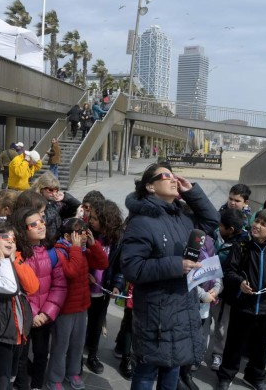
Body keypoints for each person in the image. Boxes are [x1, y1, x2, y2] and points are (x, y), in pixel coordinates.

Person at [121, 163, 219, 390]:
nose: (173, 179)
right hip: (156, 314)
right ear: (150, 186)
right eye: (166, 175)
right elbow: (132, 268)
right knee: (146, 371)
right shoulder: (141, 221)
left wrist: (192, 192)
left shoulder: (182, 215)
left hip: (183, 307)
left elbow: (212, 222)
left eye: (174, 175)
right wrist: (177, 265)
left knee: (173, 368)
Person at [217, 209, 266, 390]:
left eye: (263, 224)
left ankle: (255, 377)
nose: (256, 225)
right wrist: (240, 283)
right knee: (234, 344)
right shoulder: (241, 246)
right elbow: (229, 272)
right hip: (243, 307)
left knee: (261, 347)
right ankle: (226, 376)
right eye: (256, 221)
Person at [0, 222, 39, 390]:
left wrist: (14, 261)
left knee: (11, 377)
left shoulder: (15, 261)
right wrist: (2, 260)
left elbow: (32, 287)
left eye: (13, 238)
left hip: (18, 332)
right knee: (0, 382)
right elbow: (9, 287)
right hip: (0, 334)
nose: (11, 241)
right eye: (5, 237)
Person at [46, 218, 108, 390]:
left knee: (77, 343)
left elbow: (103, 264)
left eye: (85, 232)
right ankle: (54, 378)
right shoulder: (60, 252)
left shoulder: (81, 251)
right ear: (67, 235)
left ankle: (73, 371)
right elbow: (71, 272)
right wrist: (75, 248)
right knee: (60, 345)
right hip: (64, 309)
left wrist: (93, 244)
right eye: (79, 233)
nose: (82, 236)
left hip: (81, 306)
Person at [12, 207, 67, 390]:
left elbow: (59, 285)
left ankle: (36, 385)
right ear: (22, 229)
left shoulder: (52, 252)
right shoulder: (17, 255)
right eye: (33, 224)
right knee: (21, 356)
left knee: (42, 353)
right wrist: (33, 314)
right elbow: (17, 290)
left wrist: (46, 313)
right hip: (26, 316)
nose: (40, 226)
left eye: (41, 221)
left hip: (45, 316)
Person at [85, 200, 125, 375]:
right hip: (85, 288)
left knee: (96, 323)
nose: (90, 220)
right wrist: (85, 273)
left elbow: (120, 267)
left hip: (103, 289)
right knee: (81, 323)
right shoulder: (87, 235)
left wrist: (117, 284)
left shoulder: (118, 239)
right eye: (90, 217)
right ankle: (77, 352)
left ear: (106, 219)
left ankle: (92, 355)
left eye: (94, 218)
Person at [208, 208, 247, 372]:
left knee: (222, 326)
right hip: (206, 289)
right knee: (201, 323)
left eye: (222, 226)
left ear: (231, 230)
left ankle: (218, 354)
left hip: (226, 294)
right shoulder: (211, 235)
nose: (219, 227)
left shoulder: (242, 244)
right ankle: (197, 353)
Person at [31, 172, 80, 241]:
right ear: (41, 189)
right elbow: (44, 221)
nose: (54, 193)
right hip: (45, 242)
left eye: (56, 189)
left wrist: (66, 197)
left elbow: (78, 207)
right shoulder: (35, 202)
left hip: (59, 240)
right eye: (50, 190)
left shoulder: (57, 203)